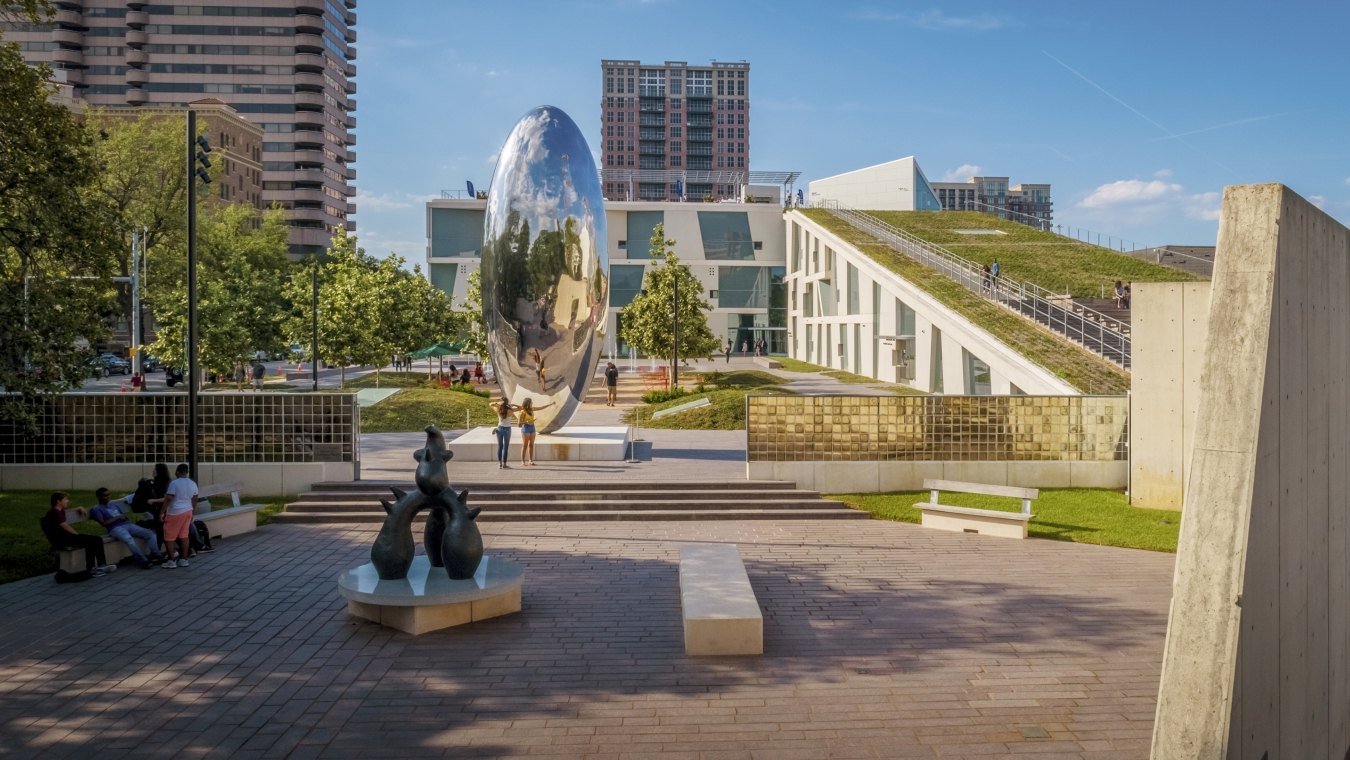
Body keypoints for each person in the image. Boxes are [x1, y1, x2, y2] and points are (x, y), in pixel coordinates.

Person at [40, 492, 117, 577]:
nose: (67, 501)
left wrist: (78, 507)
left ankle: (98, 567)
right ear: (58, 501)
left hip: (66, 537)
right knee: (93, 540)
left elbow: (66, 513)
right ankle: (94, 568)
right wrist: (77, 535)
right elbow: (65, 526)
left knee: (95, 539)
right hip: (62, 540)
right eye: (65, 499)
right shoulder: (54, 512)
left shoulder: (59, 510)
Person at [90, 487, 160, 569]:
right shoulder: (97, 509)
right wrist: (118, 517)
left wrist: (124, 517)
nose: (108, 497)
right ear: (99, 497)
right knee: (129, 540)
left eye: (109, 494)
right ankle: (143, 560)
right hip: (115, 528)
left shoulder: (113, 505)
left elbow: (122, 515)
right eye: (105, 495)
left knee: (150, 534)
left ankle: (156, 555)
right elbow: (104, 523)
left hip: (127, 524)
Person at [153, 463, 197, 569]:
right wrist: (193, 512)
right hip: (188, 511)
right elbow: (195, 498)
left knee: (169, 537)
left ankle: (171, 561)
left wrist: (162, 512)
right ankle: (184, 559)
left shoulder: (174, 483)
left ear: (177, 471)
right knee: (184, 536)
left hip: (175, 512)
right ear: (186, 472)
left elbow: (168, 498)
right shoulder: (192, 483)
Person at [517, 397, 554, 466]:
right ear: (528, 403)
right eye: (531, 402)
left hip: (532, 428)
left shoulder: (532, 409)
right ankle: (523, 461)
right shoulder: (522, 412)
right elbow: (519, 424)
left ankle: (530, 460)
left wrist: (550, 404)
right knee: (525, 445)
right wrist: (526, 422)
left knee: (531, 445)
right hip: (526, 428)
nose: (532, 403)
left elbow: (541, 408)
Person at [489, 396, 521, 469]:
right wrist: (513, 404)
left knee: (500, 447)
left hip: (499, 428)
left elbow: (490, 404)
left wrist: (497, 403)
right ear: (507, 402)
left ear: (501, 402)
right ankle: (504, 464)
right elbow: (521, 408)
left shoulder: (498, 409)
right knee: (505, 447)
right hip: (507, 429)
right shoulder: (511, 410)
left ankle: (500, 464)